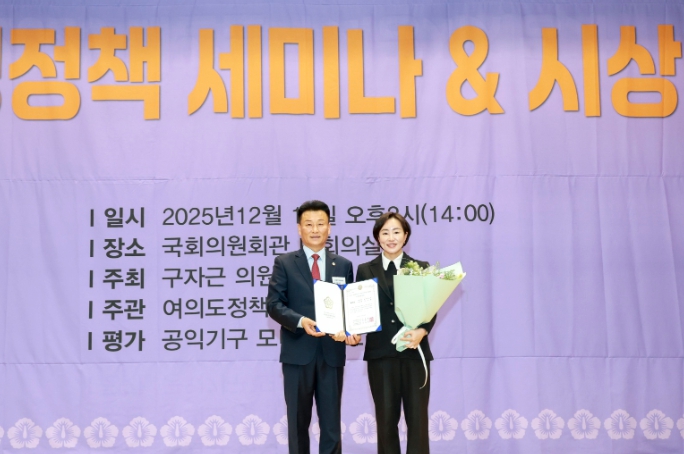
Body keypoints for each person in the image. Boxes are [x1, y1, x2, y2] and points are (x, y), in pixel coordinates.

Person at [266, 200, 359, 454]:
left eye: (320, 224)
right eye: (309, 224)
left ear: (329, 228)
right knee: (298, 425)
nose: (315, 230)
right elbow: (274, 304)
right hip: (298, 354)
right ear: (299, 229)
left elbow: (350, 309)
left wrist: (351, 331)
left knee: (331, 427)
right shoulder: (285, 263)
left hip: (331, 354)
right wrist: (300, 321)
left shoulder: (343, 265)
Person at [355, 212, 435, 454]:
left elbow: (430, 308)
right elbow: (358, 309)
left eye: (396, 232)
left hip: (414, 352)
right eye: (385, 232)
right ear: (377, 238)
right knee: (386, 422)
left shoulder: (420, 268)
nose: (391, 238)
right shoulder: (365, 270)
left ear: (406, 235)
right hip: (381, 356)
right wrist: (353, 330)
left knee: (417, 421)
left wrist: (423, 330)